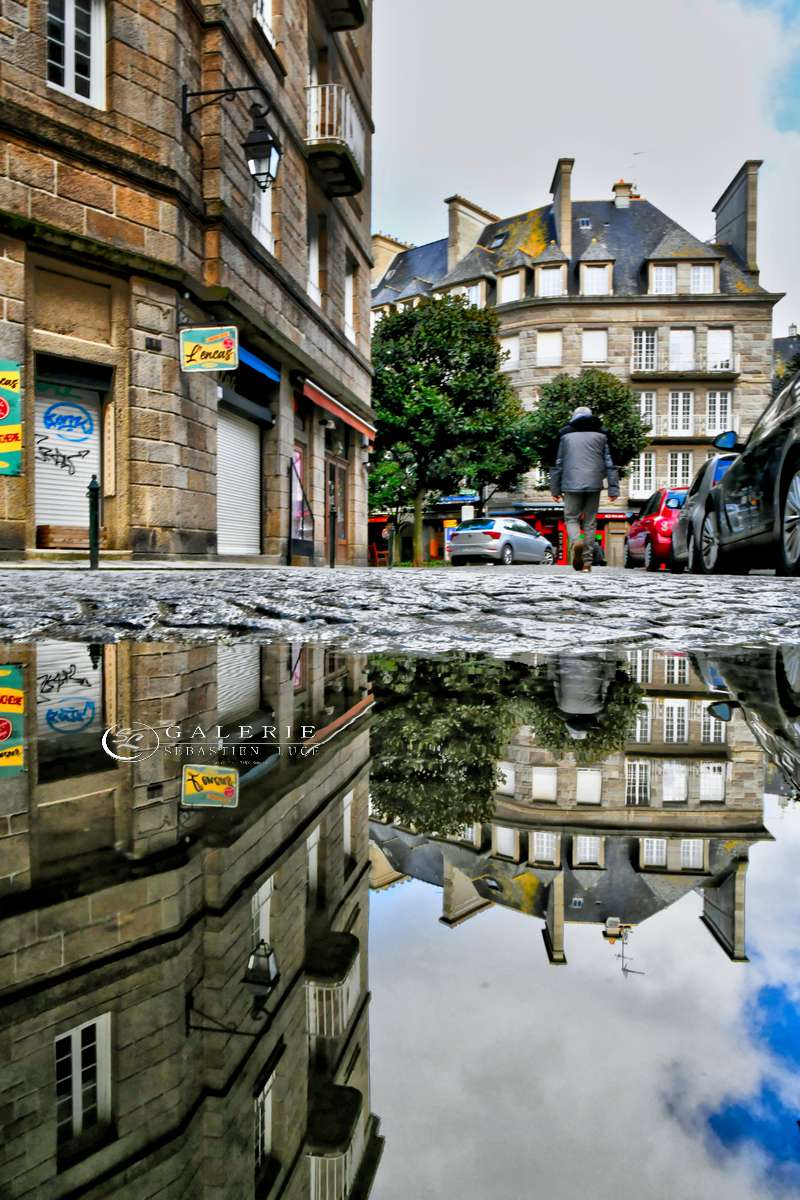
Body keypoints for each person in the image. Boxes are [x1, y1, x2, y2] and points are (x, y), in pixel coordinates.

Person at [550, 405, 620, 572]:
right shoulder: (602, 435)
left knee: (571, 518)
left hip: (570, 483)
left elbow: (558, 463)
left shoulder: (564, 435)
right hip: (594, 484)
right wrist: (613, 489)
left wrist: (555, 489)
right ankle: (587, 563)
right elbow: (610, 463)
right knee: (590, 522)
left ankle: (576, 542)